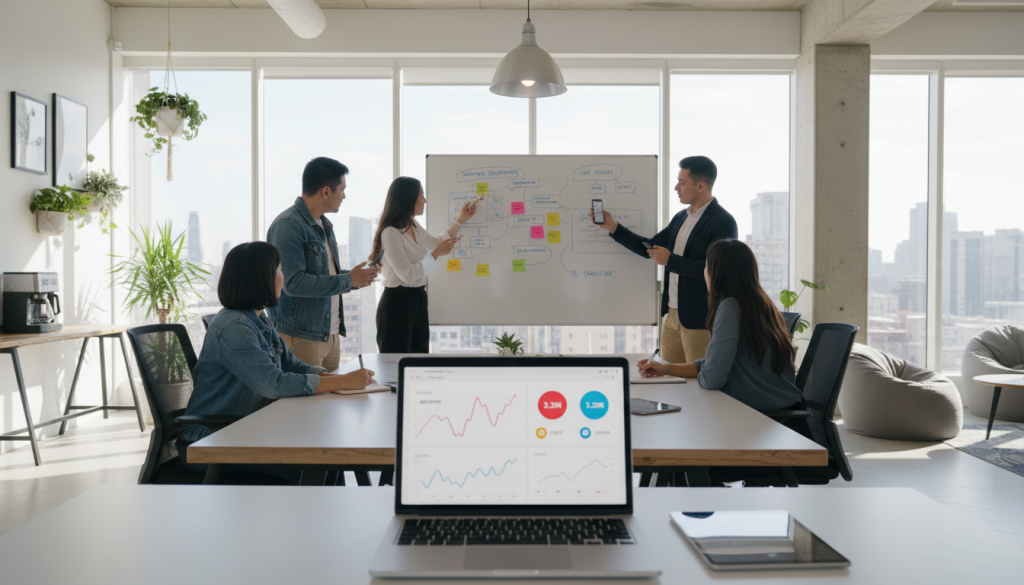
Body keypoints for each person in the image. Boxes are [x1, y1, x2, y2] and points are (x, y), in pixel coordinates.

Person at [178, 242, 376, 483]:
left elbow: (292, 366)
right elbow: (274, 384)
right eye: (279, 269)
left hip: (241, 429)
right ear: (261, 278)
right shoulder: (234, 327)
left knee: (327, 452)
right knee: (317, 460)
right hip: (211, 439)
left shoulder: (258, 318)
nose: (283, 276)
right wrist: (343, 382)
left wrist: (343, 381)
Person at [590, 156, 737, 363]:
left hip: (699, 318)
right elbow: (649, 248)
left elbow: (715, 272)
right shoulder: (681, 217)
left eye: (682, 182)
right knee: (669, 377)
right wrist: (613, 227)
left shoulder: (723, 221)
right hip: (672, 314)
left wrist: (671, 260)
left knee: (699, 383)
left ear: (701, 185)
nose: (676, 187)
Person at [637, 239, 804, 414]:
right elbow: (715, 362)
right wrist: (666, 368)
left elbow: (711, 379)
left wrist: (706, 370)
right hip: (781, 407)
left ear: (718, 273)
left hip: (764, 415)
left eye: (707, 267)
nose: (705, 272)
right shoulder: (759, 303)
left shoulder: (731, 307)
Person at [267, 157, 380, 371]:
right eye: (342, 190)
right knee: (305, 405)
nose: (344, 196)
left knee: (327, 404)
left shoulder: (324, 225)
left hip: (330, 335)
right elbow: (294, 283)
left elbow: (322, 275)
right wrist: (347, 280)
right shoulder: (287, 226)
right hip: (301, 337)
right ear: (326, 191)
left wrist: (355, 280)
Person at [370, 176, 479, 353]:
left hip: (418, 298)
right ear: (408, 199)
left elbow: (435, 242)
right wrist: (436, 255)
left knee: (418, 361)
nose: (425, 200)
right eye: (422, 196)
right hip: (397, 303)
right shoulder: (390, 232)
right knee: (394, 366)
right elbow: (408, 274)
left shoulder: (411, 224)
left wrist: (460, 220)